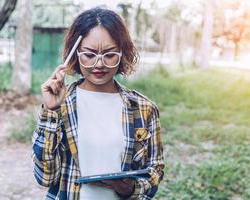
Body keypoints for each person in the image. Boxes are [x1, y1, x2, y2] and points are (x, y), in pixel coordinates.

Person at [32, 7, 164, 200]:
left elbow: (155, 171)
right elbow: (44, 177)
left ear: (122, 53)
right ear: (75, 54)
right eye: (90, 54)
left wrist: (130, 188)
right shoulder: (61, 104)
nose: (99, 64)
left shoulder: (144, 109)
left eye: (109, 54)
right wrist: (51, 112)